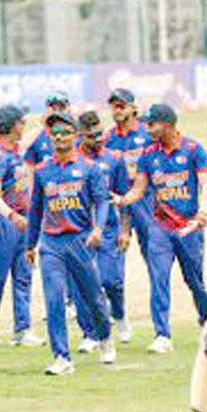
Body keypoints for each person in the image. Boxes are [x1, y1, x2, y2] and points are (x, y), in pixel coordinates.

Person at [112, 104, 207, 353]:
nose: (147, 129)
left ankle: (206, 320)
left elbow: (205, 184)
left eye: (151, 124)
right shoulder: (148, 154)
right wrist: (123, 200)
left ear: (167, 124)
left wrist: (202, 212)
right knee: (158, 279)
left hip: (188, 228)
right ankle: (162, 335)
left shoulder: (193, 149)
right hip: (160, 228)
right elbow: (139, 188)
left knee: (195, 282)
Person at [25, 111, 116, 375]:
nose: (59, 137)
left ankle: (104, 337)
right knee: (54, 300)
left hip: (80, 240)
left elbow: (102, 201)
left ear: (75, 136)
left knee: (93, 297)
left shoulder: (89, 168)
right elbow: (35, 210)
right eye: (54, 133)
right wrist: (30, 245)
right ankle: (62, 358)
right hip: (51, 243)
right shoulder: (43, 171)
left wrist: (98, 229)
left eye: (64, 132)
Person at [0, 104, 45, 349]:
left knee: (23, 277)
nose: (24, 125)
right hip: (5, 224)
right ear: (12, 125)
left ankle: (23, 329)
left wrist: (46, 122)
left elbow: (29, 139)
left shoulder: (15, 150)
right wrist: (11, 215)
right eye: (21, 121)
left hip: (23, 222)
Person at [72, 110, 132, 348]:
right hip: (80, 230)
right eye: (91, 136)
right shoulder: (73, 160)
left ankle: (119, 315)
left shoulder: (113, 159)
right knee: (82, 284)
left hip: (109, 229)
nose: (98, 139)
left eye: (100, 134)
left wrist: (125, 230)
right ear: (80, 135)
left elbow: (124, 197)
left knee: (111, 281)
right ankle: (90, 334)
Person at [23, 91, 77, 320]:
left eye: (61, 107)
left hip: (74, 203)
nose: (57, 111)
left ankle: (75, 300)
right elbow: (27, 166)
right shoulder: (38, 138)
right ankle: (58, 301)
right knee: (52, 255)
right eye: (52, 107)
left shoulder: (75, 135)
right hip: (49, 205)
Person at [104, 88, 154, 286]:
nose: (117, 110)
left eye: (121, 106)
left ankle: (159, 300)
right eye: (113, 106)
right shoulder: (108, 138)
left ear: (133, 108)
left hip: (146, 201)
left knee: (153, 258)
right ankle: (116, 302)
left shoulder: (147, 133)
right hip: (118, 203)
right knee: (113, 262)